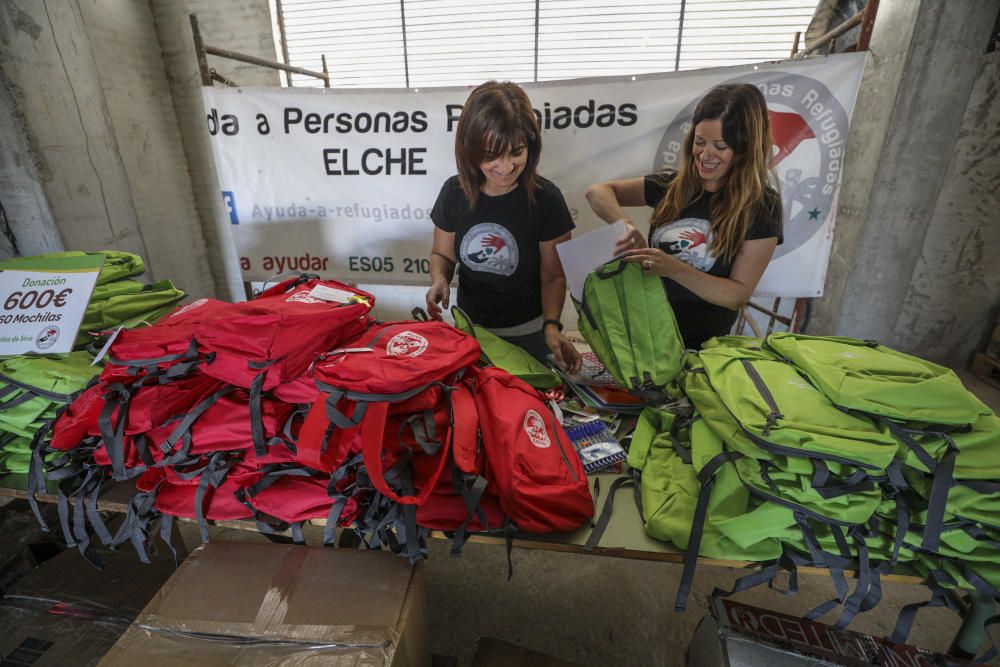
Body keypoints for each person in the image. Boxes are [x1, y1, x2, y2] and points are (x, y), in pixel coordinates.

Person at [585, 83, 783, 349]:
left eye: (720, 146)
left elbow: (736, 294)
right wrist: (625, 225)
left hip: (702, 348)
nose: (705, 154)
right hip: (644, 338)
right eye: (699, 142)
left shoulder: (762, 206)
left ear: (746, 148)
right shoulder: (671, 185)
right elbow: (597, 192)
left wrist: (674, 269)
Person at [426, 81, 582, 373]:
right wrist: (439, 279)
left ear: (530, 146)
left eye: (516, 152)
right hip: (471, 332)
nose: (506, 166)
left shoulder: (547, 199)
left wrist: (552, 327)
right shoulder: (453, 192)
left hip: (530, 334)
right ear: (470, 149)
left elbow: (553, 275)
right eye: (491, 155)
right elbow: (443, 255)